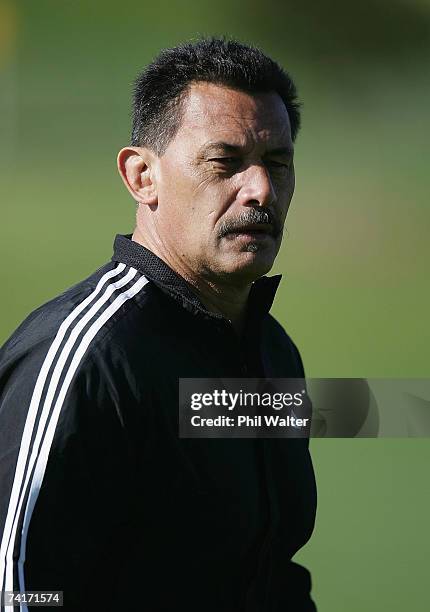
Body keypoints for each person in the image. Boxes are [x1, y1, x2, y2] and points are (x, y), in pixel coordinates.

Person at [0, 38, 317, 611]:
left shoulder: (273, 351)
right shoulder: (86, 358)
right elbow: (19, 592)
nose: (261, 191)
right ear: (142, 176)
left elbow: (270, 568)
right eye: (224, 162)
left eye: (277, 163)